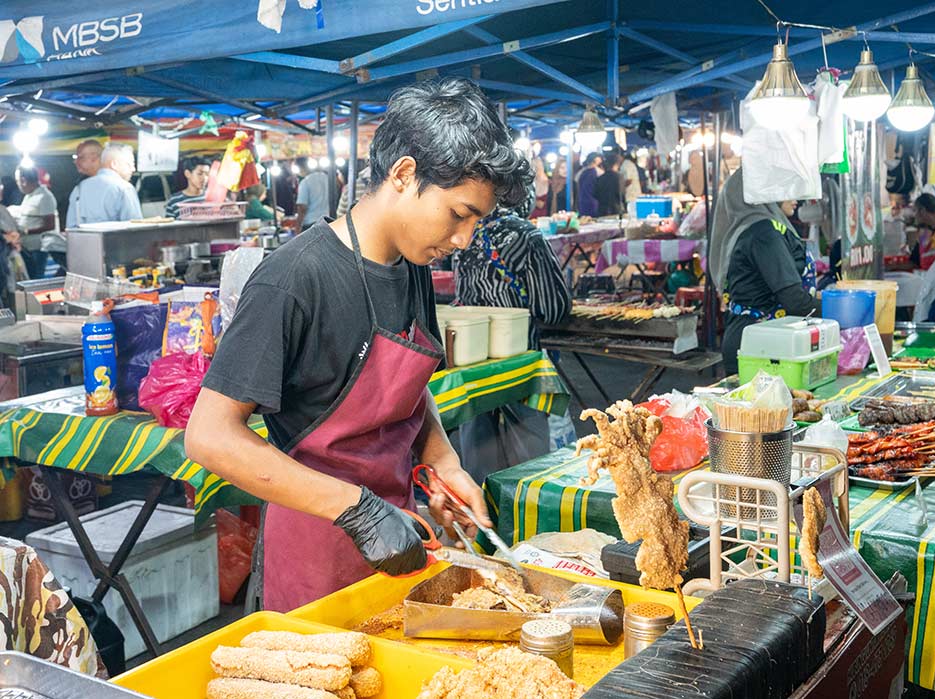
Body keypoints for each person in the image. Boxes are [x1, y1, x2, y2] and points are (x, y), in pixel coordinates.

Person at [184, 77, 532, 613]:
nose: (463, 239)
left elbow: (403, 385)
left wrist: (442, 461)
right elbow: (209, 436)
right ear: (404, 174)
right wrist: (358, 511)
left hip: (403, 535)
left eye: (475, 222)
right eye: (459, 214)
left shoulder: (412, 264)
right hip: (315, 548)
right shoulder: (294, 279)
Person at [452, 186, 572, 481]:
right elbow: (553, 308)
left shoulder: (465, 232)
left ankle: (481, 505)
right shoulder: (526, 235)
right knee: (531, 460)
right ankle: (527, 503)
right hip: (519, 361)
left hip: (473, 361)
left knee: (477, 451)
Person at [710, 168, 817, 375]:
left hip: (756, 340)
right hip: (761, 348)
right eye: (785, 187)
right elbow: (794, 301)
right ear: (763, 193)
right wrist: (841, 311)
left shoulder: (754, 229)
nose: (795, 196)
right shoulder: (763, 234)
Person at [67, 143, 142, 227]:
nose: (133, 169)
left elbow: (71, 226)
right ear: (114, 164)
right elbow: (135, 227)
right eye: (130, 164)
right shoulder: (124, 188)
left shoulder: (79, 189)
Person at [12, 167, 58, 279]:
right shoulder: (29, 196)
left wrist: (26, 231)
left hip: (38, 249)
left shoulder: (45, 197)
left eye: (18, 181)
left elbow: (50, 225)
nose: (18, 185)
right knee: (28, 277)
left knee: (36, 278)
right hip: (26, 248)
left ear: (24, 180)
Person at [911, 193, 935, 270]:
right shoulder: (924, 233)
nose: (914, 215)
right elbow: (915, 261)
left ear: (922, 211)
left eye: (915, 210)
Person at [295, 158, 330, 230]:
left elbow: (302, 208)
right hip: (328, 221)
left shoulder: (305, 182)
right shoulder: (327, 178)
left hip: (311, 224)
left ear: (302, 168)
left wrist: (298, 226)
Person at [595, 152, 624, 217]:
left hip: (602, 209)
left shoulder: (600, 178)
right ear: (617, 164)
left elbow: (596, 194)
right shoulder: (619, 177)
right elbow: (621, 194)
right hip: (616, 209)